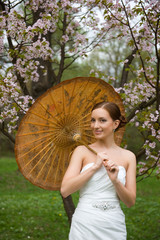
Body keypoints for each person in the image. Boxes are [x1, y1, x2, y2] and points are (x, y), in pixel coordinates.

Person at [60, 101, 136, 240]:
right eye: (93, 120)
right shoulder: (81, 151)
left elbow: (130, 201)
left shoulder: (128, 157)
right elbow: (65, 190)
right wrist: (94, 168)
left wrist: (116, 181)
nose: (96, 126)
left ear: (115, 124)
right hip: (85, 223)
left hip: (113, 225)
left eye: (102, 120)